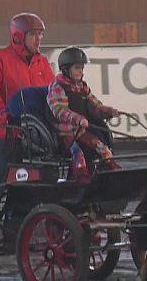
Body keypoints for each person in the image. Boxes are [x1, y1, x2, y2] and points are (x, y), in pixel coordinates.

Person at [0, 12, 54, 186]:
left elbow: (52, 93)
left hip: (36, 135)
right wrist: (1, 112)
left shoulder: (42, 63)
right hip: (7, 133)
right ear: (18, 36)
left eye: (40, 34)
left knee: (37, 181)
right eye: (33, 34)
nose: (38, 39)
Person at [48, 46, 120, 182]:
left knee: (103, 149)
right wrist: (78, 119)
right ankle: (80, 181)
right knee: (78, 155)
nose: (80, 71)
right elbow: (59, 110)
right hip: (65, 133)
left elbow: (94, 105)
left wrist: (107, 111)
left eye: (82, 68)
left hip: (81, 131)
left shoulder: (83, 87)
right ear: (66, 69)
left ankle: (111, 174)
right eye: (77, 68)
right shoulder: (58, 86)